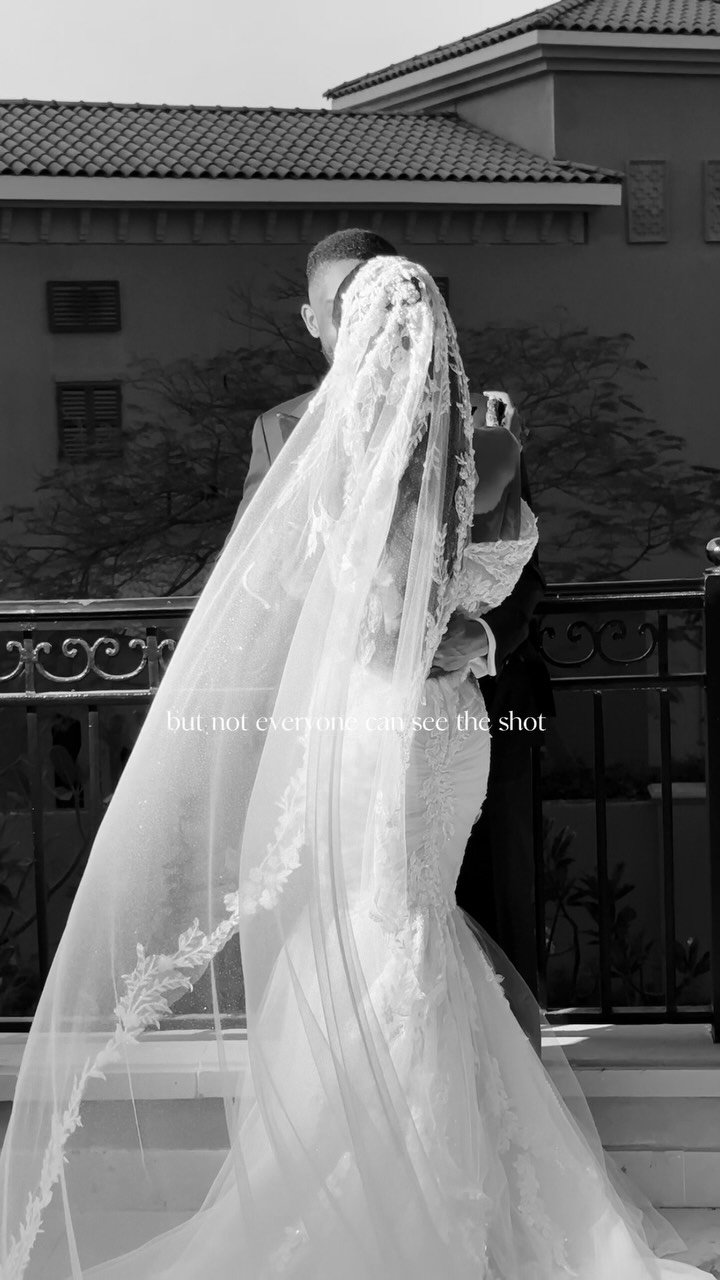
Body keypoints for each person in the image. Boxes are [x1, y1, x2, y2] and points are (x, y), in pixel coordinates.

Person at [0, 256, 708, 1279]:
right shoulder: (494, 447)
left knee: (387, 925)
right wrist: (458, 619)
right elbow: (448, 583)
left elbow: (322, 609)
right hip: (449, 723)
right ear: (441, 337)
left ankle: (376, 1182)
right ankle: (452, 1188)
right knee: (415, 925)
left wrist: (442, 626)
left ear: (347, 331)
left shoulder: (330, 459)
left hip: (376, 721)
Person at [226, 227, 549, 1049]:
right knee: (381, 910)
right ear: (314, 320)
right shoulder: (287, 433)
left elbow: (522, 579)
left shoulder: (482, 432)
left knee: (464, 897)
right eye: (338, 307)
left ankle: (489, 1057)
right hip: (360, 710)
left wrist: (477, 634)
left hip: (459, 700)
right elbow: (256, 582)